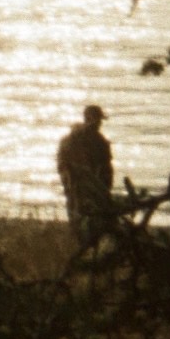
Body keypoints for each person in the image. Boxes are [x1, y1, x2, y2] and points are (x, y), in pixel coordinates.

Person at [56, 104, 114, 246]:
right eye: (98, 119)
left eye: (100, 120)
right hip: (79, 186)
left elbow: (106, 169)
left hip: (84, 186)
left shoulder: (98, 142)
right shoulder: (78, 140)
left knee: (83, 218)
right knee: (81, 217)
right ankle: (81, 244)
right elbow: (63, 163)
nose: (100, 123)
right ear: (88, 118)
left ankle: (83, 243)